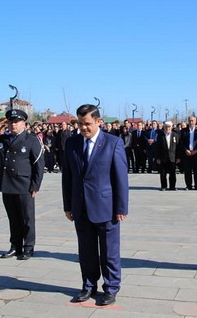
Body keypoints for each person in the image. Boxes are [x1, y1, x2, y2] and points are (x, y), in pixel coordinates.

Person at [62, 104, 129, 306]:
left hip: (106, 208)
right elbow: (68, 177)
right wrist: (68, 205)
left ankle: (111, 288)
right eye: (80, 124)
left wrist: (121, 208)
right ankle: (89, 285)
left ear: (99, 122)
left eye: (88, 124)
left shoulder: (112, 143)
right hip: (80, 207)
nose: (84, 128)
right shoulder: (72, 143)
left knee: (109, 252)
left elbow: (121, 179)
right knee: (86, 251)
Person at [0, 109, 45, 260]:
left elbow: (38, 164)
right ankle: (15, 246)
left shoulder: (31, 139)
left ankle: (28, 247)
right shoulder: (4, 139)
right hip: (7, 184)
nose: (13, 125)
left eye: (16, 122)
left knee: (27, 219)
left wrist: (35, 185)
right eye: (10, 122)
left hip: (24, 184)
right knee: (13, 218)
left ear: (24, 123)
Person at [180, 115, 197, 190]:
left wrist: (196, 150)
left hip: (196, 153)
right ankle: (189, 185)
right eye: (189, 120)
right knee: (187, 171)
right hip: (187, 153)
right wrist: (185, 150)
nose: (191, 122)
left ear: (195, 121)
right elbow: (181, 142)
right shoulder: (183, 131)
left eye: (192, 120)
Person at [155, 121, 180, 191]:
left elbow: (178, 147)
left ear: (171, 127)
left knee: (172, 173)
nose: (167, 128)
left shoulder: (175, 135)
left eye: (169, 127)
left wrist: (178, 157)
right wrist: (158, 158)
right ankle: (164, 186)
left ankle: (172, 186)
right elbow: (157, 147)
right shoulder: (160, 135)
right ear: (164, 127)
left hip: (172, 157)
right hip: (163, 157)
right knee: (163, 173)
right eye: (166, 127)